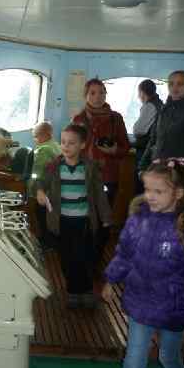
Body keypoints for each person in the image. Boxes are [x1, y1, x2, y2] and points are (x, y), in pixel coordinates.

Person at [102, 159, 184, 368]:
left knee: (168, 357)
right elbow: (125, 253)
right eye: (147, 189)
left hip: (173, 309)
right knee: (133, 364)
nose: (150, 196)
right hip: (140, 303)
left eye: (158, 191)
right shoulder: (138, 219)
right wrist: (111, 279)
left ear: (178, 193)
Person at [34, 124, 112, 308]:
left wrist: (106, 217)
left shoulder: (89, 168)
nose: (66, 146)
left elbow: (99, 194)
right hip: (63, 221)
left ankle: (86, 290)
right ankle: (73, 290)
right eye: (63, 142)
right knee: (67, 257)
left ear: (82, 145)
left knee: (85, 256)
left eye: (71, 143)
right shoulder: (54, 167)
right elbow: (40, 182)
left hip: (83, 221)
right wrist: (40, 191)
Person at [72, 78, 129, 259]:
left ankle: (96, 258)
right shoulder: (78, 119)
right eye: (93, 93)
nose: (98, 97)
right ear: (86, 95)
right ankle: (83, 256)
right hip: (83, 176)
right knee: (82, 219)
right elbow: (70, 147)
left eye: (102, 92)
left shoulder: (115, 118)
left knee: (103, 220)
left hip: (107, 177)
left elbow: (125, 147)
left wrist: (114, 150)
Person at [139, 70, 184, 173]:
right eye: (171, 84)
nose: (175, 87)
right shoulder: (164, 108)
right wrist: (143, 165)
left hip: (179, 170)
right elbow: (154, 139)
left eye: (180, 84)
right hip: (158, 166)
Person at [29, 121, 61, 250]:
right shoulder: (55, 145)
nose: (35, 140)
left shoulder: (44, 149)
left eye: (36, 136)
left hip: (45, 190)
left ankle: (48, 243)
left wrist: (33, 188)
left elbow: (38, 172)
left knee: (42, 215)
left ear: (45, 134)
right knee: (50, 215)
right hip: (55, 189)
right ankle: (50, 240)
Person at [132, 79, 163, 195]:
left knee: (141, 187)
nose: (138, 96)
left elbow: (138, 130)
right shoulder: (159, 104)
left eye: (139, 93)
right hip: (153, 151)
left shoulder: (150, 105)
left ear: (142, 93)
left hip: (145, 151)